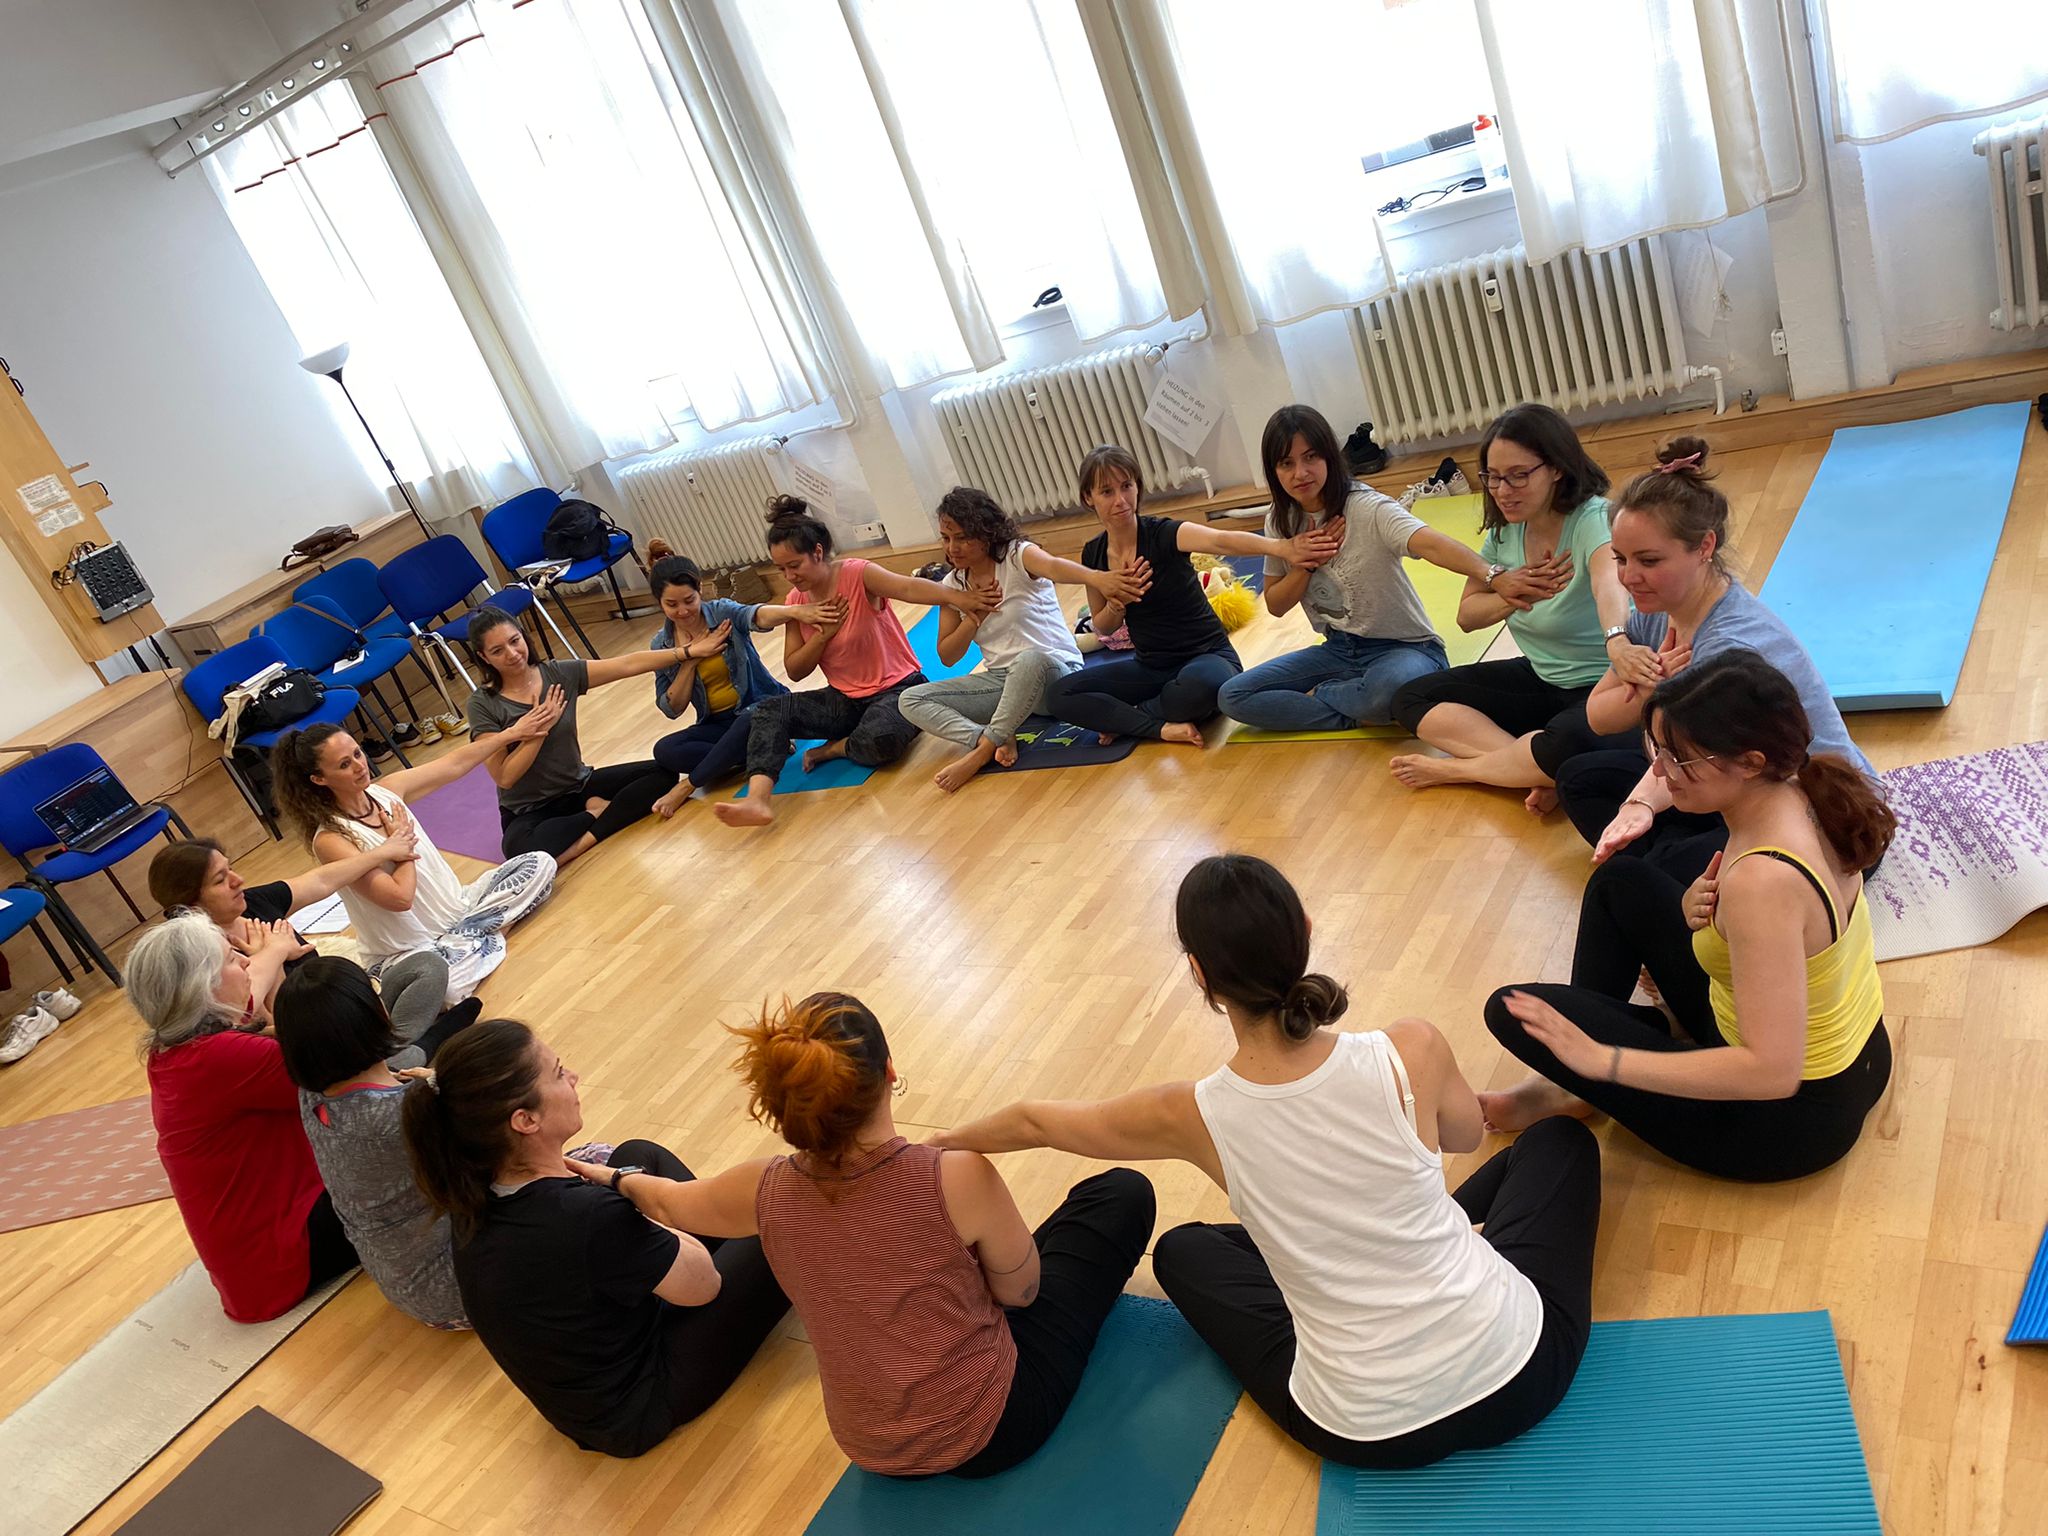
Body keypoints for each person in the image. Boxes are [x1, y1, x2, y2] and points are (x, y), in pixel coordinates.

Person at [935, 855, 1600, 1469]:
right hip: (1524, 1375)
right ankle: (1389, 1229)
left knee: (1181, 1251)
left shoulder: (1189, 1113)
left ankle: (1370, 1235)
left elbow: (1033, 1121)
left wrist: (931, 1149)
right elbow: (1466, 1139)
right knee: (1559, 1143)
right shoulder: (1413, 1048)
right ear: (1305, 931)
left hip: (1366, 1433)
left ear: (1199, 974)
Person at [575, 992, 1155, 1478]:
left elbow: (667, 1201)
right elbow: (1022, 1295)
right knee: (1121, 1194)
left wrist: (607, 1174)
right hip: (994, 1430)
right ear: (890, 1073)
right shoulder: (957, 1176)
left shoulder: (762, 1187)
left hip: (869, 1446)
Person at [1481, 651, 1895, 1182]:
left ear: (1749, 761)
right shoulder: (1807, 793)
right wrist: (1702, 913)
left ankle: (1583, 1082)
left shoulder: (1762, 882)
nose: (1659, 771)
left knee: (1509, 1011)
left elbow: (1773, 1072)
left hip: (1786, 1123)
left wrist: (1600, 1061)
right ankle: (1593, 1076)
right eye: (1658, 750)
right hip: (1859, 1057)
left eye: (1679, 759)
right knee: (1621, 882)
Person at [400, 1019, 791, 1457]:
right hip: (638, 1405)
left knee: (639, 1156)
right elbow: (703, 1287)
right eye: (558, 1072)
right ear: (525, 1120)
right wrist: (640, 1202)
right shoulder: (584, 1217)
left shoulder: (474, 1187)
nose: (574, 1077)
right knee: (781, 1212)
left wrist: (627, 1189)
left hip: (584, 1392)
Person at [1552, 437, 1875, 883]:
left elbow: (1686, 761)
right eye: (1620, 559)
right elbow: (1597, 717)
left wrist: (1640, 803)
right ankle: (1674, 870)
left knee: (1638, 872)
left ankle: (1675, 873)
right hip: (1721, 781)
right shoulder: (1658, 611)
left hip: (1820, 817)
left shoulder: (1730, 647)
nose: (1628, 577)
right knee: (1579, 778)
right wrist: (1647, 681)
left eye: (1648, 560)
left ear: (1704, 547)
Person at [1387, 404, 1651, 807]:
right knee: (1410, 698)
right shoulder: (1506, 530)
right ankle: (1529, 770)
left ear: (1557, 468)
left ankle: (1464, 770)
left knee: (1572, 741)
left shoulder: (1593, 519)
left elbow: (1608, 585)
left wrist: (1617, 640)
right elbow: (1467, 616)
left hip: (1603, 688)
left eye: (1518, 476)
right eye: (1493, 477)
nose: (1502, 490)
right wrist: (1513, 593)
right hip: (1542, 679)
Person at [129, 912, 358, 1322]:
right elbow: (351, 1078)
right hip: (283, 1263)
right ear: (207, 987)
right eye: (233, 959)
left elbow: (256, 996)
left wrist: (274, 951)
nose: (247, 964)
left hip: (258, 1267)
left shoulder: (176, 1052)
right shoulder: (222, 1058)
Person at [714, 496, 997, 828]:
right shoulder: (796, 602)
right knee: (766, 711)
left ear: (817, 553)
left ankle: (834, 749)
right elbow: (795, 669)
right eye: (781, 569)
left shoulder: (857, 574)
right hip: (845, 699)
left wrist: (958, 597)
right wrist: (822, 635)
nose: (789, 576)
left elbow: (908, 587)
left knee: (881, 741)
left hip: (898, 690)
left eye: (795, 565)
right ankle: (757, 800)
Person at [1217, 406, 1501, 733]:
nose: (1300, 473)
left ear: (1328, 457)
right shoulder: (1280, 520)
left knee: (1389, 689)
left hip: (1407, 649)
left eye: (1311, 458)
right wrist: (1306, 564)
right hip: (1339, 650)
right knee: (1233, 695)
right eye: (1286, 463)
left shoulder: (1368, 507)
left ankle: (1332, 698)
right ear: (1274, 471)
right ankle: (1358, 709)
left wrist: (1492, 575)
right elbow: (1276, 605)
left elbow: (1433, 544)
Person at [1042, 444, 1342, 745]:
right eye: (1107, 492)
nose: (1121, 500)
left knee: (1193, 692)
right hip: (1151, 666)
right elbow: (1103, 625)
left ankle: (1130, 718)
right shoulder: (1093, 553)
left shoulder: (1163, 533)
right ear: (1088, 498)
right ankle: (1157, 726)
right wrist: (1118, 603)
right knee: (1060, 695)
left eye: (1127, 486)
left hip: (1207, 657)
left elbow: (1222, 541)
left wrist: (1282, 547)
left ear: (1137, 487)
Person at [272, 721, 557, 1002]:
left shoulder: (387, 791)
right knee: (444, 988)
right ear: (319, 779)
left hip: (462, 907)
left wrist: (510, 734)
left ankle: (473, 936)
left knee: (540, 862)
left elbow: (453, 764)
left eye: (358, 754)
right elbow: (398, 899)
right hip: (409, 948)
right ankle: (485, 932)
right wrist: (403, 843)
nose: (360, 766)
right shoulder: (331, 839)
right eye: (344, 765)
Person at [901, 486, 1150, 791]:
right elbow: (948, 656)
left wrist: (1097, 578)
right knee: (911, 699)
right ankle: (987, 737)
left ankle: (982, 752)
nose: (952, 548)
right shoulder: (953, 584)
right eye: (946, 537)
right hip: (1002, 681)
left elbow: (1055, 567)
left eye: (963, 537)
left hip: (1053, 674)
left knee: (1028, 659)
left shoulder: (1018, 556)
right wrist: (974, 614)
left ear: (986, 532)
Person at [274, 957, 474, 1329]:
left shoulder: (310, 1096)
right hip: (461, 1287)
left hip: (406, 1284)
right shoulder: (404, 1110)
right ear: (376, 1013)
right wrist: (437, 1083)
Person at [145, 833, 459, 1062]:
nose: (238, 880)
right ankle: (406, 1049)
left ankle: (393, 1045)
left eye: (231, 870)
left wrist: (384, 852)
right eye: (220, 880)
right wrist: (274, 954)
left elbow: (320, 881)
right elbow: (271, 1029)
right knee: (383, 1055)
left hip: (345, 1009)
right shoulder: (203, 957)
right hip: (313, 1045)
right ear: (192, 902)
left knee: (428, 967)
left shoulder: (253, 903)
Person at [465, 606, 696, 864]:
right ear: (483, 657)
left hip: (579, 787)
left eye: (514, 641)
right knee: (519, 850)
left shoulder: (558, 674)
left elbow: (627, 664)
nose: (512, 654)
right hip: (529, 809)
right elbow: (505, 777)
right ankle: (598, 814)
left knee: (662, 774)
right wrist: (538, 731)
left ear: (522, 634)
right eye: (497, 651)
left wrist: (687, 653)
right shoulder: (482, 704)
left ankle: (583, 837)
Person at [642, 555, 818, 819]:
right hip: (717, 723)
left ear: (700, 589)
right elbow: (672, 707)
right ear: (659, 603)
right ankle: (755, 751)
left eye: (689, 600)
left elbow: (755, 614)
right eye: (671, 604)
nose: (683, 611)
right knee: (664, 750)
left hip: (758, 709)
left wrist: (793, 611)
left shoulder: (721, 612)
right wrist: (691, 658)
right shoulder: (661, 645)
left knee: (751, 719)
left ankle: (689, 784)